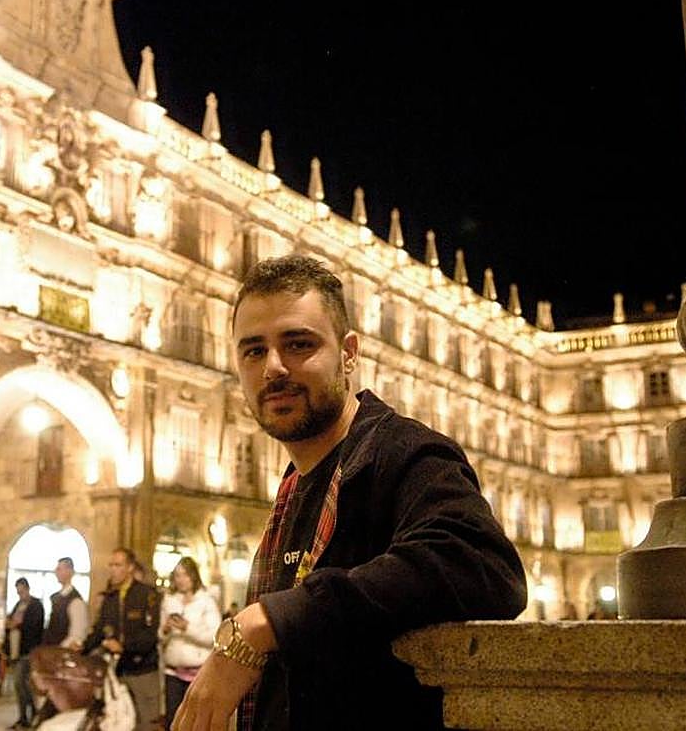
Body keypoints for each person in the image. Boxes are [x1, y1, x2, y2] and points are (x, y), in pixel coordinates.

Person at [173, 255, 528, 731]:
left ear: (349, 353)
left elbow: (480, 565)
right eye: (253, 351)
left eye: (298, 344)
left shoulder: (403, 454)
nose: (274, 367)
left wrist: (266, 623)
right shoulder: (295, 487)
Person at [81, 548, 160, 731]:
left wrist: (123, 646)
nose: (113, 569)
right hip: (118, 674)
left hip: (143, 672)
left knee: (146, 725)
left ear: (130, 567)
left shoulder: (147, 595)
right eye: (111, 565)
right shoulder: (110, 598)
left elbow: (150, 636)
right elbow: (98, 631)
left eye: (118, 565)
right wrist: (81, 649)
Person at [159, 558, 220, 730]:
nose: (180, 580)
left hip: (198, 672)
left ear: (193, 576)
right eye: (177, 576)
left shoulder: (206, 601)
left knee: (196, 721)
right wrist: (165, 630)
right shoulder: (169, 600)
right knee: (174, 720)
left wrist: (187, 628)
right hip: (173, 671)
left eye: (185, 575)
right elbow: (160, 636)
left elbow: (215, 635)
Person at [4, 577, 44, 729]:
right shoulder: (17, 605)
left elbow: (35, 627)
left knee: (20, 683)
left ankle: (29, 713)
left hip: (28, 651)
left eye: (22, 591)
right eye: (18, 592)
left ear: (27, 589)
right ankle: (27, 715)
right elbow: (11, 622)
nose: (20, 594)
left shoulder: (36, 605)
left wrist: (18, 624)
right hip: (16, 651)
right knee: (21, 684)